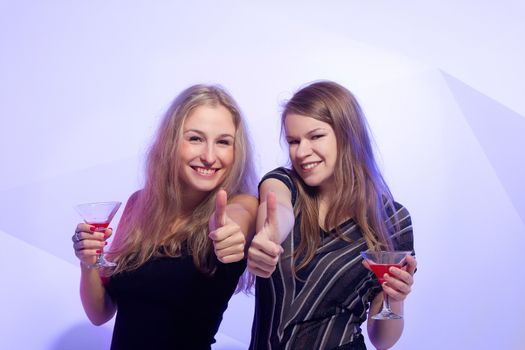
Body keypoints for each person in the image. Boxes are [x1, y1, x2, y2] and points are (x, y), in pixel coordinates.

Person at [71, 84, 258, 349]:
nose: (209, 156)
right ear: (171, 141)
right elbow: (99, 313)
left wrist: (231, 232)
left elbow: (240, 219)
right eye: (195, 138)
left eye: (223, 142)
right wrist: (88, 261)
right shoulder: (139, 204)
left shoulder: (240, 205)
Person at [247, 80, 416, 350]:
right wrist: (269, 237)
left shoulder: (393, 221)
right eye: (293, 141)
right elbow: (278, 210)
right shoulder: (283, 184)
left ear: (347, 135)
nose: (301, 152)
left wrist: (395, 299)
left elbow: (383, 341)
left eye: (315, 136)